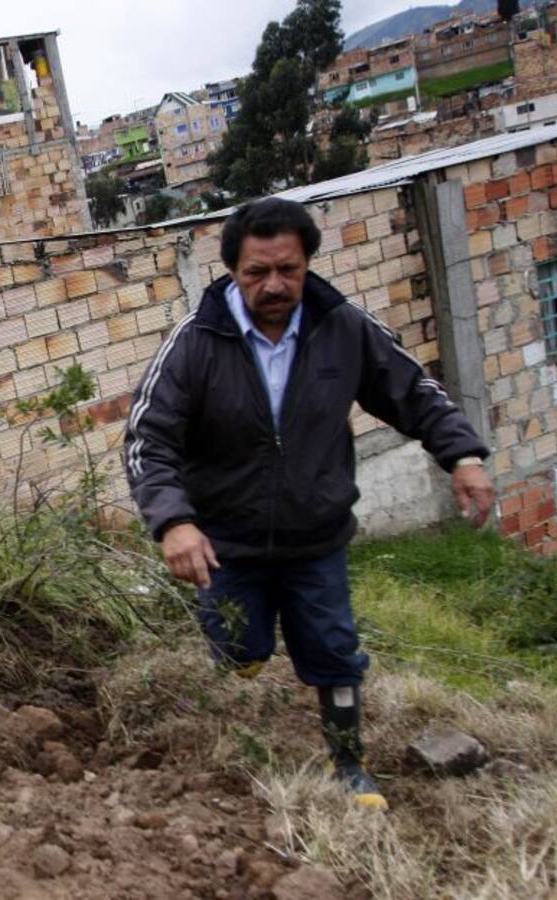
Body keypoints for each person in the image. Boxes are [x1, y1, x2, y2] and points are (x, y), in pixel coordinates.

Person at [124, 197, 495, 811]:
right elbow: (148, 438)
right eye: (257, 272)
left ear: (306, 264)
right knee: (238, 648)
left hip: (316, 535)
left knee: (333, 651)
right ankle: (244, 653)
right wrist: (174, 522)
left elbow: (413, 391)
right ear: (233, 271)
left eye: (288, 270)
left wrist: (464, 457)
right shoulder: (195, 343)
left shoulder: (342, 328)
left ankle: (348, 763)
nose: (273, 285)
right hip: (226, 540)